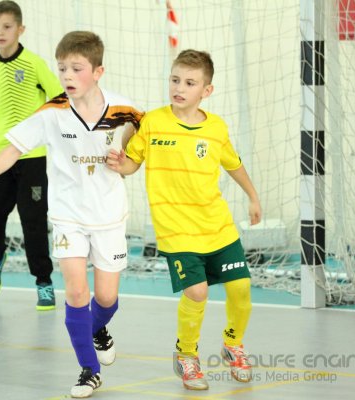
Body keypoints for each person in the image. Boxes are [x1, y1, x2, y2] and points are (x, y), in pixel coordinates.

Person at [0, 31, 142, 398]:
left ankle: (98, 327)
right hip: (67, 216)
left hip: (108, 216)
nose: (67, 76)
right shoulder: (51, 113)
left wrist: (126, 165)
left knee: (106, 298)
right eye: (62, 68)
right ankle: (88, 370)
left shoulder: (127, 112)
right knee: (77, 291)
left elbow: (138, 158)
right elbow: (13, 149)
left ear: (98, 71)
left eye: (76, 68)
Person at [106, 49, 262, 391]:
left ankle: (232, 344)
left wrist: (252, 196)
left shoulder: (216, 128)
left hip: (217, 225)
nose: (179, 87)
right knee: (197, 291)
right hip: (175, 228)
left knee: (241, 289)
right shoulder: (153, 122)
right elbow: (133, 164)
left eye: (190, 83)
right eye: (175, 80)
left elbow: (232, 163)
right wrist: (121, 160)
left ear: (206, 91)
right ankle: (186, 354)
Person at [0, 1, 62, 310]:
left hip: (32, 156)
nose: (0, 33)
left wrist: (44, 129)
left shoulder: (33, 63)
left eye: (7, 27)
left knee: (33, 221)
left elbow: (58, 97)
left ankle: (43, 282)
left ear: (21, 29)